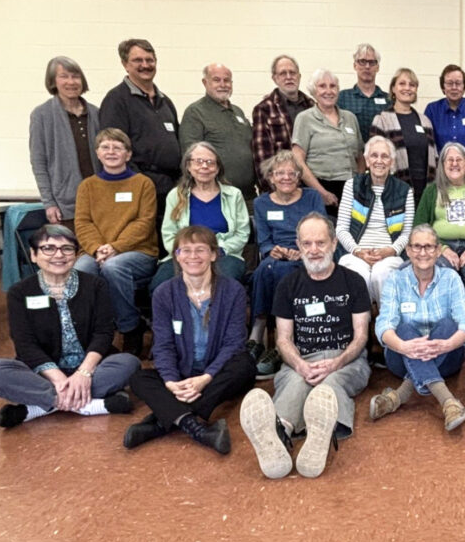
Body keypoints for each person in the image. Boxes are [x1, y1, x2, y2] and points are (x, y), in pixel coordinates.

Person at [240, 213, 371, 479]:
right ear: (298, 246)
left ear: (334, 244)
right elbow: (283, 339)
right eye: (307, 244)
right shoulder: (289, 285)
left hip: (347, 359)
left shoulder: (354, 281)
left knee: (329, 386)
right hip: (302, 357)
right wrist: (300, 364)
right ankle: (280, 435)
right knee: (296, 382)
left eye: (321, 243)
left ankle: (318, 435)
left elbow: (360, 337)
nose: (314, 250)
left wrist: (337, 362)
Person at [0, 224, 138, 428]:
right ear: (34, 255)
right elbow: (24, 343)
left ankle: (38, 407)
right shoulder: (20, 292)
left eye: (66, 248)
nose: (59, 255)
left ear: (75, 254)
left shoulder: (95, 285)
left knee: (129, 363)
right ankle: (89, 405)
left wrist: (83, 373)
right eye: (48, 248)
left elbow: (103, 333)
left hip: (92, 367)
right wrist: (58, 378)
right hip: (43, 373)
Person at [124, 226, 256, 454]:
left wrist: (205, 378)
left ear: (214, 254)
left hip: (215, 372)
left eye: (200, 250)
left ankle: (159, 423)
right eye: (185, 250)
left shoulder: (232, 290)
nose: (193, 257)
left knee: (245, 366)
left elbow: (234, 343)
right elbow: (163, 345)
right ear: (176, 256)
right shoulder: (164, 293)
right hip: (182, 372)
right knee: (138, 378)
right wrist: (170, 382)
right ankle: (198, 429)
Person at [370, 224, 465, 432]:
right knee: (404, 329)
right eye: (417, 247)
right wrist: (403, 346)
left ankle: (399, 396)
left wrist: (446, 345)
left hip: (447, 356)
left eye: (428, 247)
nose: (422, 253)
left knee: (448, 325)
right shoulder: (396, 280)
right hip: (401, 357)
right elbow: (384, 324)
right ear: (408, 251)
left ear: (437, 251)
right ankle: (447, 401)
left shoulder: (451, 278)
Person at [72, 128, 158, 355]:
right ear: (98, 153)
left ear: (128, 154)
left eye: (117, 147)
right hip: (96, 251)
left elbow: (144, 222)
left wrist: (115, 247)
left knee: (114, 266)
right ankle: (95, 333)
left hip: (138, 252)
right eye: (105, 147)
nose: (111, 152)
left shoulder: (143, 183)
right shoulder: (87, 186)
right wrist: (97, 248)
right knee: (80, 269)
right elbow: (83, 222)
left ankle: (130, 327)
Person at [247, 151, 326, 378]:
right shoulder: (261, 203)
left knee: (279, 271)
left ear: (299, 176)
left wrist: (302, 251)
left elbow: (320, 229)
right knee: (266, 268)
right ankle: (263, 336)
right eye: (280, 173)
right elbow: (263, 241)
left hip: (308, 253)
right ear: (271, 177)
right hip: (275, 256)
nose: (286, 177)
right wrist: (271, 250)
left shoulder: (311, 197)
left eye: (292, 173)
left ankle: (276, 340)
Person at [149, 142, 250, 292]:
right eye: (198, 161)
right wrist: (185, 253)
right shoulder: (176, 195)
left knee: (225, 285)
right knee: (160, 286)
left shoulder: (233, 195)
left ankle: (216, 316)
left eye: (210, 162)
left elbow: (242, 234)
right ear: (188, 167)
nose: (204, 166)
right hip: (185, 254)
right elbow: (169, 234)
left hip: (222, 254)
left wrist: (218, 251)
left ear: (217, 168)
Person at [98, 38, 180, 210]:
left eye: (150, 60)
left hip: (170, 190)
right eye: (138, 60)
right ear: (125, 64)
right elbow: (115, 150)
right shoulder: (116, 100)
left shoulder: (165, 102)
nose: (145, 65)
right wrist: (142, 183)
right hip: (138, 189)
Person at [414, 142, 465, 306]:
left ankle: (461, 311)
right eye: (449, 160)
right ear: (442, 165)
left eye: (459, 159)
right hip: (439, 249)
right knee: (442, 273)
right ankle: (451, 315)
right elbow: (419, 227)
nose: (454, 164)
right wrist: (442, 249)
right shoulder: (432, 191)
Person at [336, 135, 415, 303]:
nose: (379, 161)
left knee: (381, 274)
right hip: (356, 252)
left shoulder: (404, 190)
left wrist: (391, 250)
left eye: (385, 156)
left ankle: (385, 323)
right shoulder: (352, 186)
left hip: (389, 254)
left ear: (392, 162)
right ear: (366, 160)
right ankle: (361, 324)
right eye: (374, 155)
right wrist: (357, 251)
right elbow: (341, 228)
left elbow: (407, 233)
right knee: (359, 275)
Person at [29, 56, 100, 227]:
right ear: (53, 81)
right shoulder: (42, 115)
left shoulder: (96, 113)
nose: (71, 82)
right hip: (66, 205)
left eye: (75, 76)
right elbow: (39, 162)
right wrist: (49, 203)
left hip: (99, 201)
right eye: (64, 76)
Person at [179, 63, 256, 202]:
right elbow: (190, 155)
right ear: (205, 82)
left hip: (247, 195)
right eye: (216, 80)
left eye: (226, 80)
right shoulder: (195, 112)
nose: (223, 84)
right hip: (216, 196)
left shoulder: (238, 111)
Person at [291, 68, 364, 214]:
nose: (328, 91)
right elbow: (298, 160)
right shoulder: (305, 118)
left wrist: (359, 184)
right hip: (320, 188)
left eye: (333, 86)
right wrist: (321, 192)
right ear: (314, 91)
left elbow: (360, 156)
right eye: (322, 86)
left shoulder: (350, 118)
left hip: (352, 190)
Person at [369, 67, 437, 203]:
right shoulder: (382, 120)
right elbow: (374, 159)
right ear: (393, 88)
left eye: (412, 85)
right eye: (402, 83)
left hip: (425, 191)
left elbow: (434, 156)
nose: (407, 88)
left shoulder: (425, 121)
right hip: (394, 191)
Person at [251, 54, 313, 193]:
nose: (288, 77)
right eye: (283, 73)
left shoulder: (312, 106)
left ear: (299, 76)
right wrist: (274, 194)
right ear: (275, 78)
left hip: (312, 188)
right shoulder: (264, 109)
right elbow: (262, 159)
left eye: (292, 72)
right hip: (281, 189)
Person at [424, 64, 465, 167]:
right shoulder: (432, 110)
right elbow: (429, 143)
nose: (454, 87)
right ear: (443, 87)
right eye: (449, 83)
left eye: (458, 83)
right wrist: (446, 164)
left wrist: (462, 164)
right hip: (441, 170)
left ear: (464, 86)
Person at [338, 43, 389, 142]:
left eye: (372, 62)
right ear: (355, 65)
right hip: (351, 155)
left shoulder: (389, 100)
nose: (367, 66)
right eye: (362, 61)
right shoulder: (342, 98)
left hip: (380, 155)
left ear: (377, 67)